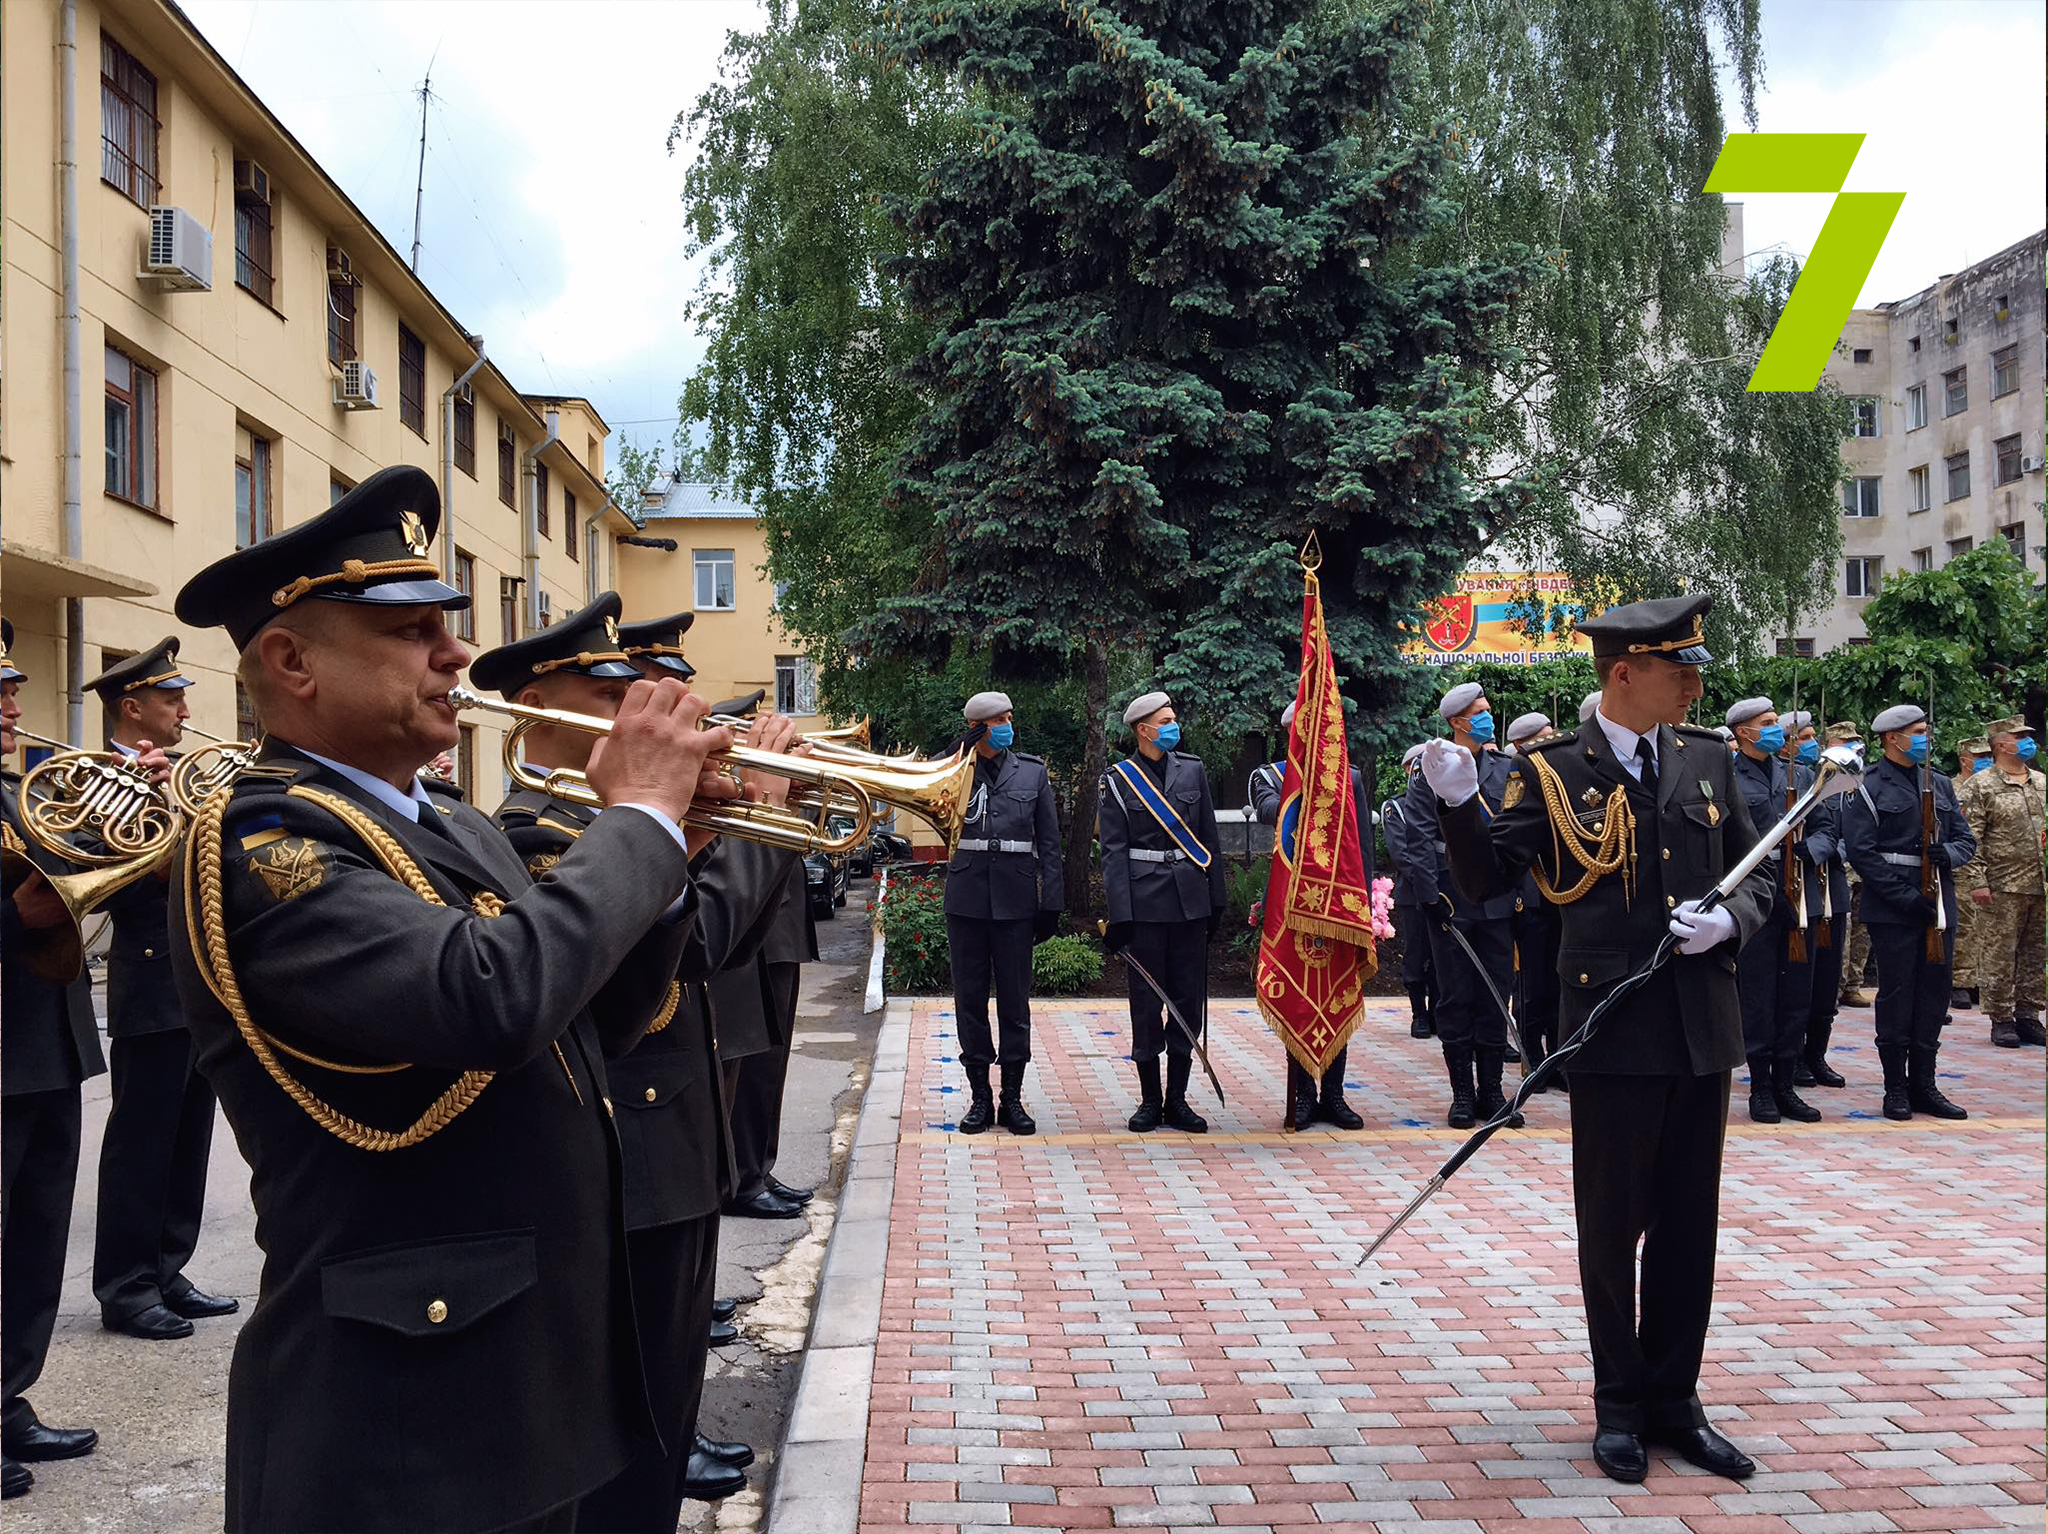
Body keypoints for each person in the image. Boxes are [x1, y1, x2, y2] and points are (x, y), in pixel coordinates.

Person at [166, 466, 729, 1533]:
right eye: (412, 629)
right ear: (291, 661)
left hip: (528, 1369)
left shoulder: (455, 824)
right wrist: (639, 824)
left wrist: (670, 859)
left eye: (446, 625)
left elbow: (590, 1030)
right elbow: (490, 1000)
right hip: (404, 1415)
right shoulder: (262, 838)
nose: (456, 653)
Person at [1426, 594, 1773, 1486]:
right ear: (1625, 673)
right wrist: (1458, 806)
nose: (1695, 685)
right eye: (1678, 669)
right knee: (1611, 1227)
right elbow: (1486, 881)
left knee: (1690, 1226)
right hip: (1614, 1027)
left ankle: (1676, 1401)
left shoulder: (1706, 759)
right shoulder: (1550, 771)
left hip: (1701, 1026)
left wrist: (1729, 921)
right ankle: (1619, 1404)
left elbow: (1758, 870)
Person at [482, 596, 791, 1522]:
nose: (636, 712)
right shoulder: (539, 828)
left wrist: (722, 826)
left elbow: (705, 944)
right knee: (636, 1398)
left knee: (669, 1361)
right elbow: (704, 942)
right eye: (609, 694)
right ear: (538, 705)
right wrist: (756, 823)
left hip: (674, 1128)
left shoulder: (605, 819)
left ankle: (672, 1451)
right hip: (634, 1135)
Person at [84, 639, 239, 1342]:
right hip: (147, 977)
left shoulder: (183, 776)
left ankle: (167, 1268)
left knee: (188, 1137)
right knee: (141, 1142)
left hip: (199, 978)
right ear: (132, 707)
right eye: (171, 699)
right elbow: (103, 882)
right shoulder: (93, 780)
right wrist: (158, 812)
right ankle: (126, 1287)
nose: (184, 711)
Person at [2, 618, 109, 1501]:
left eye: (11, 688)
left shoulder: (20, 792)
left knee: (36, 1239)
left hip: (48, 1040)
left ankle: (7, 1399)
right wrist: (12, 921)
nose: (13, 702)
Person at [698, 689, 819, 1224]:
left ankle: (757, 1167)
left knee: (769, 1063)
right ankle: (740, 1177)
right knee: (741, 1068)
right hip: (747, 931)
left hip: (781, 928)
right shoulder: (721, 791)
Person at [1387, 682, 1519, 1129]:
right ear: (1458, 722)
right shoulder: (1431, 768)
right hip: (1451, 897)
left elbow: (1516, 834)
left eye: (1487, 709)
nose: (1487, 718)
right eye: (1479, 712)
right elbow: (1419, 835)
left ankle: (1493, 1092)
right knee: (1457, 994)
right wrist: (1429, 895)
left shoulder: (1506, 768)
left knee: (1497, 992)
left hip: (1497, 897)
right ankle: (1462, 1093)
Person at [1841, 703, 1977, 1122]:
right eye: (1917, 732)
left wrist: (1948, 853)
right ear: (1892, 738)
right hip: (1894, 907)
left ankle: (1924, 1085)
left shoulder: (1939, 783)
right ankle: (1895, 1088)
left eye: (1925, 731)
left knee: (1934, 996)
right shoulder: (1867, 785)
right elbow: (1862, 851)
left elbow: (1966, 840)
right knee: (1897, 996)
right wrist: (1904, 897)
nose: (1925, 739)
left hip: (1938, 904)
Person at [1099, 691, 1226, 1133]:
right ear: (1144, 729)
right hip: (1145, 905)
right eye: (1166, 721)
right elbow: (1113, 852)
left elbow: (1208, 836)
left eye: (1173, 719)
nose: (1174, 726)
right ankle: (1151, 1100)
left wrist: (1216, 898)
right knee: (1147, 1004)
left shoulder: (1192, 769)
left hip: (1190, 903)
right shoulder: (1119, 780)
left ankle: (1178, 1100)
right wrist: (1121, 914)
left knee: (1187, 1003)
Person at [943, 691, 1062, 1134]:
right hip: (967, 901)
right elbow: (925, 790)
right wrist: (956, 753)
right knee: (969, 1001)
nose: (1008, 726)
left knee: (1015, 1003)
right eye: (999, 721)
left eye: (1009, 718)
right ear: (978, 727)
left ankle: (1012, 1097)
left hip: (1015, 902)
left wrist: (1051, 903)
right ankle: (980, 1098)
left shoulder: (1031, 771)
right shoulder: (954, 767)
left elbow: (1049, 842)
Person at [1250, 699, 1368, 1130]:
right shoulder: (1270, 776)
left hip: (1338, 908)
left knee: (1338, 992)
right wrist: (1305, 784)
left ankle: (1333, 1095)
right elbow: (1269, 812)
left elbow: (1361, 844)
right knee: (1297, 997)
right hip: (1292, 907)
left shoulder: (1350, 776)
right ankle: (1302, 1095)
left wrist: (1369, 904)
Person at [1724, 697, 1820, 1124]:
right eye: (1765, 723)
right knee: (1759, 995)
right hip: (1755, 894)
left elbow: (1827, 827)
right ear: (1743, 732)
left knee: (1797, 994)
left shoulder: (1800, 774)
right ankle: (1761, 1087)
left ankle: (1786, 1085)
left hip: (1799, 891)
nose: (1775, 729)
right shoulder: (1728, 776)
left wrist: (1812, 850)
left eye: (1774, 722)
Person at [1956, 716, 2045, 1049]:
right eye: (2020, 737)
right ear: (2001, 744)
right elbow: (1970, 838)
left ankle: (2029, 1015)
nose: (2028, 742)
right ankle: (2001, 1018)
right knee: (1999, 954)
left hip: (2040, 883)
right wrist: (1977, 880)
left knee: (2036, 953)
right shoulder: (1980, 785)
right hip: (2001, 884)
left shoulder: (2041, 782)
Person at [1786, 714, 1850, 1091]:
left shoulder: (1833, 778)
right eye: (1805, 737)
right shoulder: (1790, 780)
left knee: (1827, 982)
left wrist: (1823, 849)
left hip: (1831, 890)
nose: (1813, 743)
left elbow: (1844, 831)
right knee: (1798, 984)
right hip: (1800, 892)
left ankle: (1817, 1055)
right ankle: (1792, 1057)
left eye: (1814, 736)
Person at [1504, 711, 1564, 1090]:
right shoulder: (1515, 776)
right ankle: (1532, 1058)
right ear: (1522, 745)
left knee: (1561, 981)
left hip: (1564, 891)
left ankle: (1558, 1057)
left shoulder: (1563, 773)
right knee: (1532, 984)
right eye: (1544, 737)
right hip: (1529, 893)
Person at [1381, 743, 1436, 1040]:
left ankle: (1438, 1011)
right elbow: (1401, 852)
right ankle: (1419, 1014)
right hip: (1414, 893)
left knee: (1443, 956)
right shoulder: (1397, 807)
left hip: (1445, 890)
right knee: (1417, 954)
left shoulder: (1443, 801)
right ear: (1407, 770)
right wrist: (1428, 880)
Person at [1826, 721, 1876, 1007]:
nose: (1853, 746)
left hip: (1862, 864)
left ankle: (1853, 984)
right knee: (1841, 929)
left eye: (1855, 741)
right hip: (1839, 863)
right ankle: (1835, 985)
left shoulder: (1863, 778)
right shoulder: (1824, 777)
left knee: (1862, 928)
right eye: (1844, 741)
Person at [1948, 735, 1991, 1009]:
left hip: (1990, 867)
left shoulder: (1990, 786)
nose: (1987, 760)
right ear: (1965, 761)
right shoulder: (1952, 789)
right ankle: (1959, 982)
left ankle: (1979, 979)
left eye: (1989, 755)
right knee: (1964, 925)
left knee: (1986, 927)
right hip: (1962, 868)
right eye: (1981, 757)